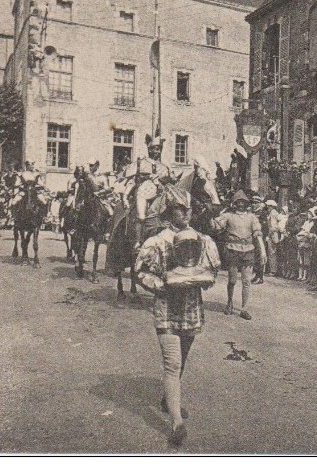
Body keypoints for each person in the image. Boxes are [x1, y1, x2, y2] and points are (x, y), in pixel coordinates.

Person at [133, 190, 221, 447]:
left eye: (189, 209)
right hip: (167, 308)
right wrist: (160, 285)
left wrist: (204, 280)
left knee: (181, 362)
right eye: (180, 209)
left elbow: (211, 271)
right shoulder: (158, 241)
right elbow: (140, 271)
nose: (186, 213)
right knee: (172, 364)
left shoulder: (202, 239)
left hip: (192, 308)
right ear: (169, 211)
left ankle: (167, 400)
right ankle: (176, 422)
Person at [211, 190, 265, 320]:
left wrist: (263, 250)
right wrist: (213, 218)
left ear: (246, 203)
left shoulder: (252, 217)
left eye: (243, 202)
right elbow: (217, 227)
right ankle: (229, 303)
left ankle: (244, 308)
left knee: (246, 281)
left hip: (248, 250)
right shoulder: (228, 216)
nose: (241, 204)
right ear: (234, 203)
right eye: (238, 202)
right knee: (233, 280)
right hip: (232, 249)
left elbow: (257, 235)